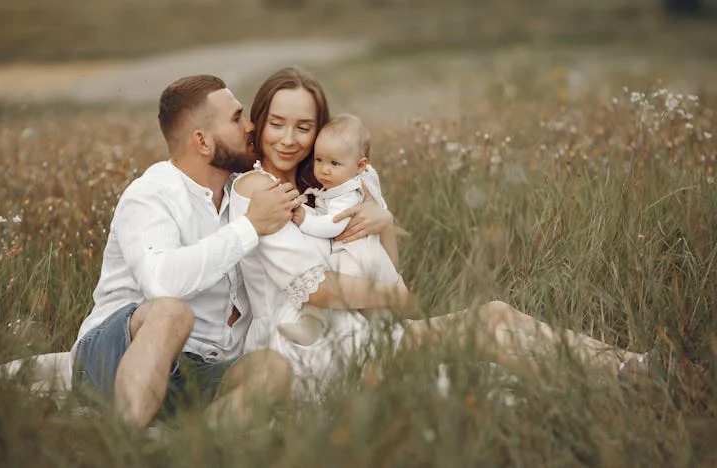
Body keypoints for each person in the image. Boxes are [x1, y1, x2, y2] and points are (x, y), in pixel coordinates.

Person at [229, 66, 651, 398]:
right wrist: (398, 298)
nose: (288, 139)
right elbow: (315, 288)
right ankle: (614, 384)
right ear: (260, 122)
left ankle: (627, 367)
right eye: (277, 124)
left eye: (303, 127)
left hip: (348, 326)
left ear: (319, 129)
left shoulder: (322, 189)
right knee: (485, 330)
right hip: (303, 344)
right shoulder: (256, 188)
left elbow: (381, 263)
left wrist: (384, 224)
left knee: (496, 312)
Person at [69, 74, 308, 428]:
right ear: (203, 141)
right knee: (170, 311)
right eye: (236, 118)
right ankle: (121, 443)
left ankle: (188, 451)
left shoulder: (242, 192)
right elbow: (161, 283)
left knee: (272, 368)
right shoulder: (151, 194)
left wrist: (367, 204)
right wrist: (250, 227)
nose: (251, 126)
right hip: (115, 356)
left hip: (197, 371)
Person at [279, 113, 400, 345]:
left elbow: (333, 225)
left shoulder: (348, 192)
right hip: (358, 256)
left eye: (334, 163)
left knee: (322, 282)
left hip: (356, 258)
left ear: (360, 165)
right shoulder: (338, 185)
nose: (324, 170)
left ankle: (311, 325)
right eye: (319, 160)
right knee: (373, 314)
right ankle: (386, 335)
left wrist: (304, 219)